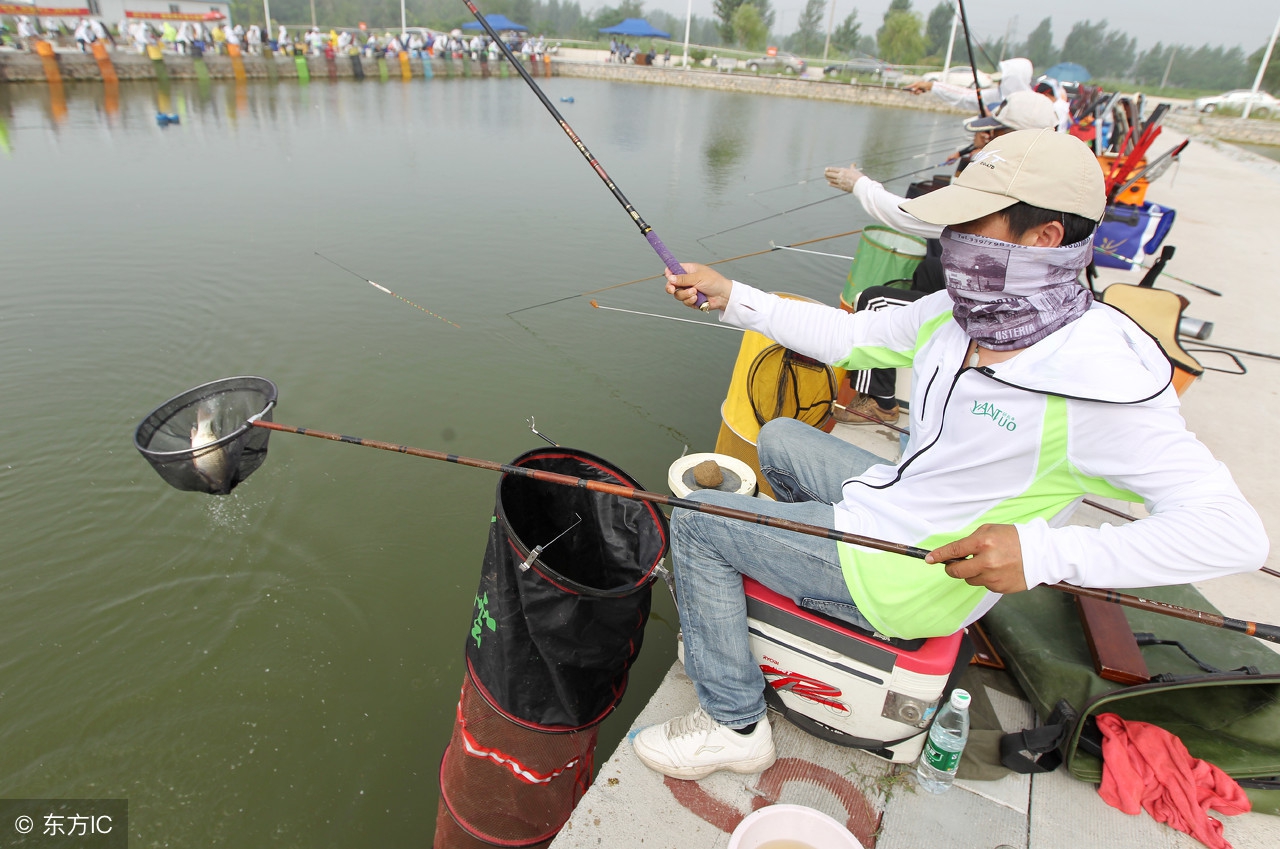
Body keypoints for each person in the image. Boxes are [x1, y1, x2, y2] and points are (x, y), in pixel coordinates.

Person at [632, 128, 1268, 781]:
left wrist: (1044, 552)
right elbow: (852, 335)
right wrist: (735, 297)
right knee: (780, 439)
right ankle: (812, 583)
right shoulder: (962, 311)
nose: (949, 240)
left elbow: (1232, 532)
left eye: (969, 223)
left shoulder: (1098, 382)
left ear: (1044, 237)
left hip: (920, 573)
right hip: (898, 502)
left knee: (700, 522)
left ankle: (733, 723)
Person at [823, 90, 1059, 425]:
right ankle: (918, 347)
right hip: (1011, 287)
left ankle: (881, 401)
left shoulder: (1006, 190)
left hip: (1002, 308)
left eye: (996, 132)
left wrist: (859, 184)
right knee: (930, 270)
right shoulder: (1045, 175)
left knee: (873, 301)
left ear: (1017, 137)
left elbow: (910, 216)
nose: (989, 138)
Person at [906, 57, 1033, 115]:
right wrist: (931, 86)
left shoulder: (1035, 105)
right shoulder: (997, 95)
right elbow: (965, 96)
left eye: (1003, 79)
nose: (999, 83)